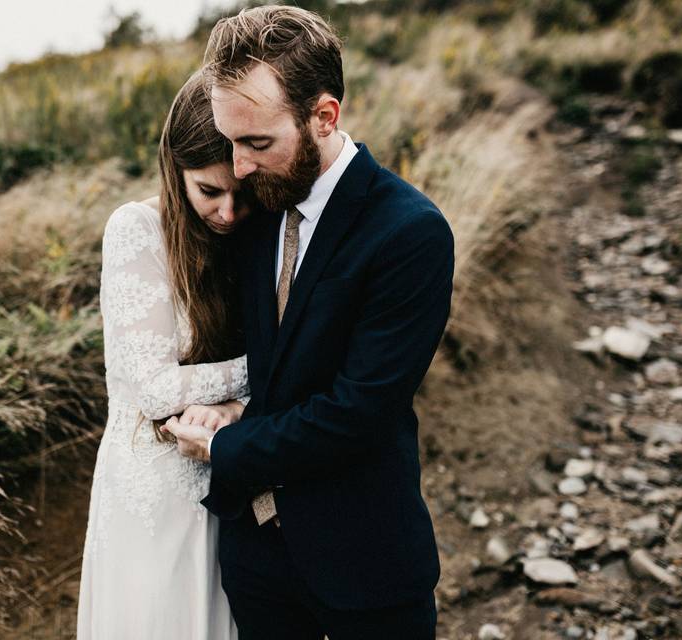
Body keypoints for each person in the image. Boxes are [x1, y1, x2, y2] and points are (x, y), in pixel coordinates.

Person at [162, 6, 454, 639]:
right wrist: (235, 407)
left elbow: (357, 411)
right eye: (229, 140)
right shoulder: (257, 209)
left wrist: (224, 445)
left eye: (257, 143)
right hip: (255, 563)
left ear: (324, 116)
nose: (238, 168)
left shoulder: (410, 233)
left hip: (365, 562)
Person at [76, 70, 253, 639]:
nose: (228, 212)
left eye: (241, 193)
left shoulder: (252, 233)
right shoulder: (136, 230)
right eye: (209, 191)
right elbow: (154, 388)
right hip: (152, 484)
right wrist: (269, 371)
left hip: (228, 472)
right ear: (174, 172)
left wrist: (232, 410)